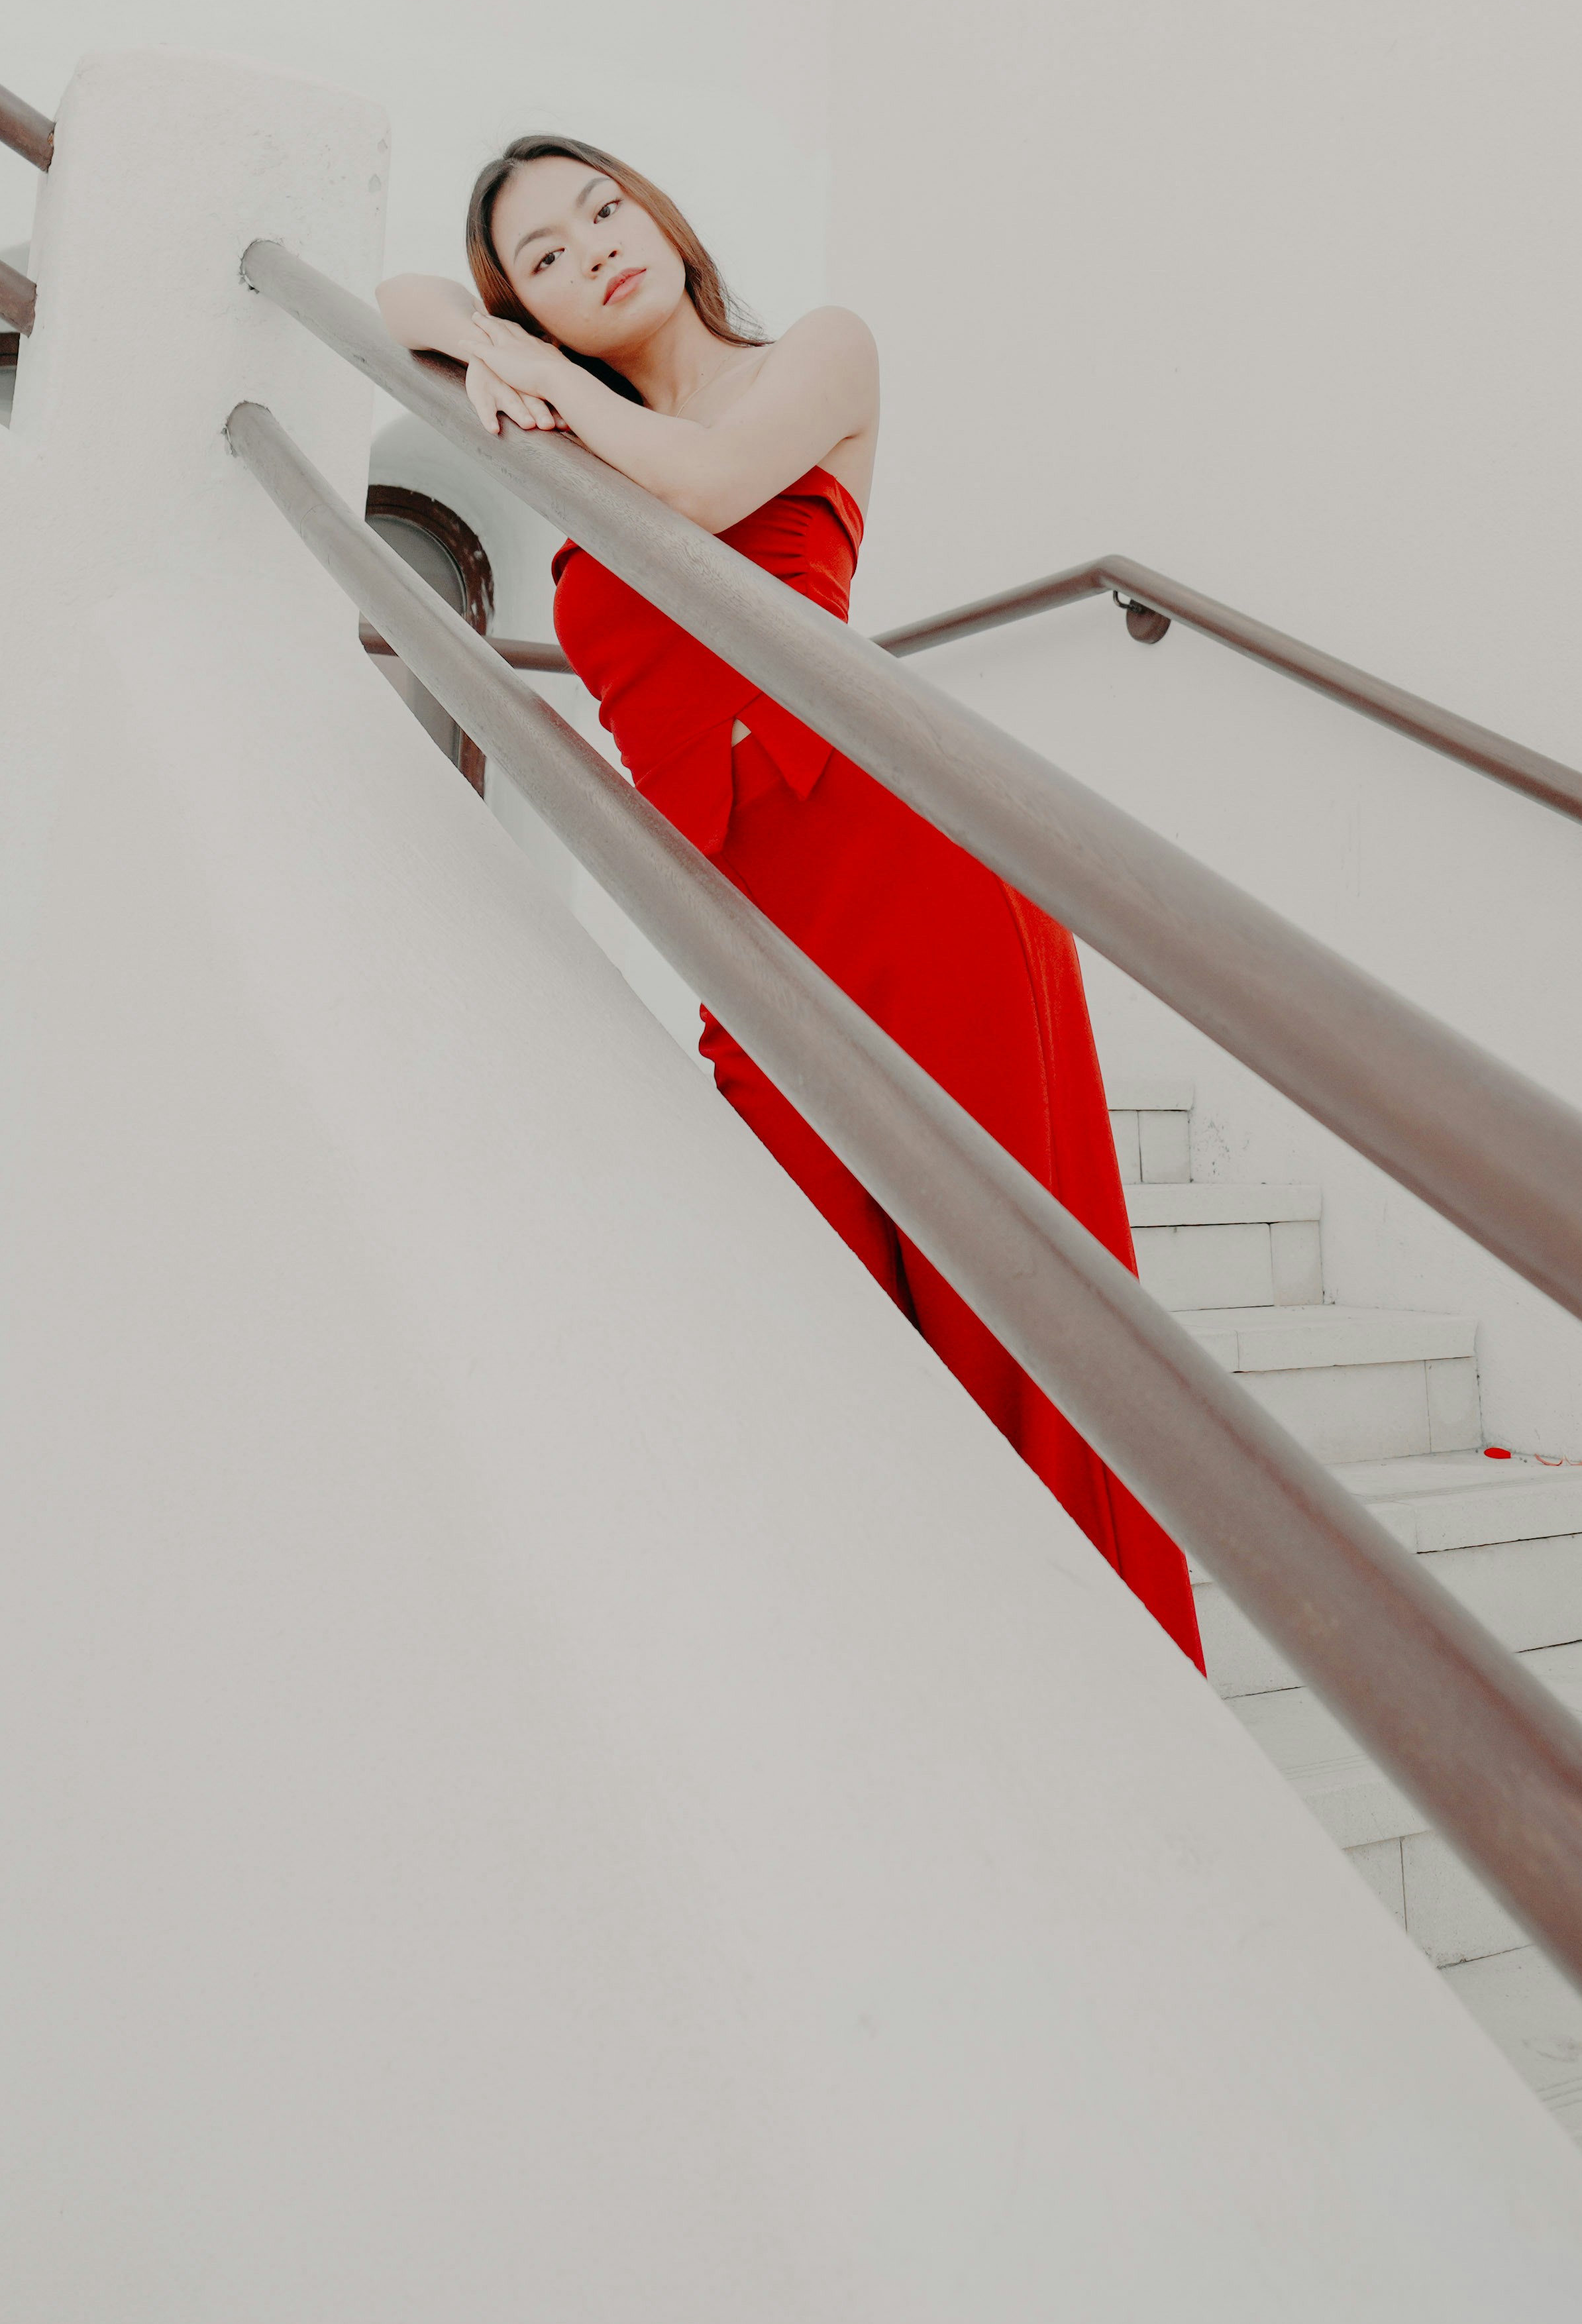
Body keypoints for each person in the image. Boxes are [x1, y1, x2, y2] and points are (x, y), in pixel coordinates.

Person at [381, 134, 1204, 1667]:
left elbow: (702, 487)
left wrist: (525, 377)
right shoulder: (560, 410)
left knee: (1024, 1320)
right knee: (817, 1337)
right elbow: (395, 292)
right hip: (746, 928)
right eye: (544, 257)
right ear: (535, 310)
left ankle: (1119, 1696)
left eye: (604, 210)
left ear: (664, 215)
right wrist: (483, 339)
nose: (592, 251)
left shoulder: (814, 357)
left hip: (914, 869)